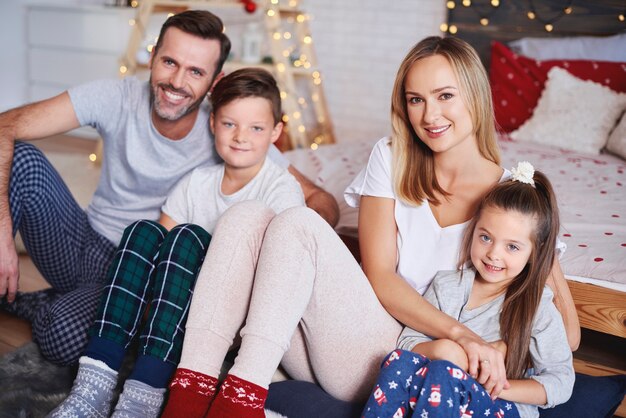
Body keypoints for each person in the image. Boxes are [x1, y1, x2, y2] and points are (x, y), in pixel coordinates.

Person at [158, 35, 578, 418]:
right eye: (416, 100)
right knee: (247, 215)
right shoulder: (393, 157)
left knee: (298, 224)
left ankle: (240, 399)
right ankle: (191, 395)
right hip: (350, 333)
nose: (430, 115)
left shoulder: (515, 199)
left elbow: (569, 336)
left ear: (475, 96)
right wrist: (463, 335)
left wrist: (485, 347)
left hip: (400, 365)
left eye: (445, 96)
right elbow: (378, 276)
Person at [0, 10, 338, 366]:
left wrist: (292, 250)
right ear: (152, 56)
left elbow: (319, 198)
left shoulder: (227, 130)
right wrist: (4, 230)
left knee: (59, 337)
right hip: (82, 243)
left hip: (144, 272)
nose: (177, 81)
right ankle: (75, 301)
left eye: (195, 71)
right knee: (22, 159)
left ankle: (53, 305)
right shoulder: (114, 95)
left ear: (214, 80)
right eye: (169, 62)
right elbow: (5, 125)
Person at [47, 67, 305, 418]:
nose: (241, 136)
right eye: (230, 124)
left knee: (188, 237)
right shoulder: (197, 182)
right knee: (143, 231)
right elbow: (157, 250)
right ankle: (94, 384)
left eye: (256, 128)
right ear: (213, 123)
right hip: (171, 304)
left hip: (227, 315)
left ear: (275, 132)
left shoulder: (280, 189)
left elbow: (277, 277)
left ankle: (144, 395)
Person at [362, 164, 575, 418]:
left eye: (512, 247)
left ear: (534, 253)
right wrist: (445, 351)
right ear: (473, 230)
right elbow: (408, 343)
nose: (494, 254)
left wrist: (498, 387)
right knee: (398, 361)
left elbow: (561, 382)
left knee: (442, 373)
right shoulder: (447, 286)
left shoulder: (538, 308)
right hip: (438, 399)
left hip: (500, 407)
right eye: (485, 237)